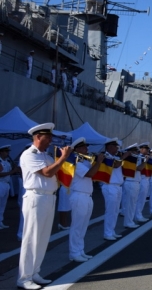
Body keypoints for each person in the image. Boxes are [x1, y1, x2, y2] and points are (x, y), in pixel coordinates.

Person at [17, 123, 72, 290]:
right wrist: (63, 158)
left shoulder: (46, 156)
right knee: (31, 238)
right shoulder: (29, 155)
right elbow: (47, 172)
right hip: (36, 197)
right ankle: (24, 277)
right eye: (47, 138)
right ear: (38, 137)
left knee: (42, 238)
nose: (50, 141)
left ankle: (35, 272)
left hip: (48, 197)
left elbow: (56, 173)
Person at [68, 138, 104, 262]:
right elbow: (89, 174)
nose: (87, 149)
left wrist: (96, 162)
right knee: (77, 226)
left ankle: (80, 250)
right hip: (79, 195)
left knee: (83, 226)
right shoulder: (76, 162)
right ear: (77, 149)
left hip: (87, 195)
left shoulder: (85, 161)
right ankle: (74, 252)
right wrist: (98, 162)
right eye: (84, 148)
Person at [102, 138, 128, 240]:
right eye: (115, 146)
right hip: (110, 186)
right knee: (110, 211)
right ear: (109, 147)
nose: (117, 148)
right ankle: (107, 233)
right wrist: (124, 157)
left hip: (117, 186)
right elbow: (116, 165)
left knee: (115, 211)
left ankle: (111, 231)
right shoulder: (105, 156)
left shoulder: (115, 157)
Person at [121, 143, 142, 229]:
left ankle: (130, 221)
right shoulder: (129, 160)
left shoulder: (135, 159)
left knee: (132, 204)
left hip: (135, 182)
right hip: (130, 182)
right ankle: (128, 222)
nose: (137, 152)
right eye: (135, 151)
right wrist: (146, 161)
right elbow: (138, 169)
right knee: (130, 204)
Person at [0, 144, 19, 229]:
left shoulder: (7, 162)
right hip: (1, 183)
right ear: (1, 152)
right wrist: (12, 172)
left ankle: (0, 221)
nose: (7, 153)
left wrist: (14, 170)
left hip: (6, 184)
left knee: (2, 205)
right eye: (6, 151)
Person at [134, 143, 151, 223]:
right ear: (141, 149)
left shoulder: (145, 157)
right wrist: (145, 161)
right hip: (141, 179)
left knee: (142, 199)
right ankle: (138, 215)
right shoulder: (139, 157)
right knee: (140, 199)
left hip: (146, 179)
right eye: (145, 149)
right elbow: (139, 168)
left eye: (147, 149)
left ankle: (138, 214)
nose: (147, 150)